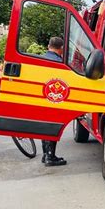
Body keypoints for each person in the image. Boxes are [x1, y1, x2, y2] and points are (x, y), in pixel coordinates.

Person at [42, 37, 67, 166]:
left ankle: (45, 154)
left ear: (48, 46)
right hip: (54, 97)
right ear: (61, 48)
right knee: (52, 126)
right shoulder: (60, 62)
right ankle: (50, 158)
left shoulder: (41, 59)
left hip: (43, 97)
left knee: (44, 126)